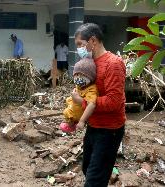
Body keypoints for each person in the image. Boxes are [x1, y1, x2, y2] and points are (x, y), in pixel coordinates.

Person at [72, 23, 126, 187]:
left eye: (80, 44)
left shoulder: (113, 64)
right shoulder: (89, 63)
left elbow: (114, 102)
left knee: (95, 179)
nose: (79, 49)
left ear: (93, 41)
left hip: (110, 130)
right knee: (87, 168)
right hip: (94, 125)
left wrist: (82, 102)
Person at [60, 58, 98, 133]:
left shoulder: (92, 89)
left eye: (82, 76)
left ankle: (73, 123)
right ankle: (71, 122)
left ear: (90, 77)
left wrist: (82, 121)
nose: (78, 79)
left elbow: (92, 104)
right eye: (76, 75)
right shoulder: (80, 85)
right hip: (75, 108)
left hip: (80, 113)